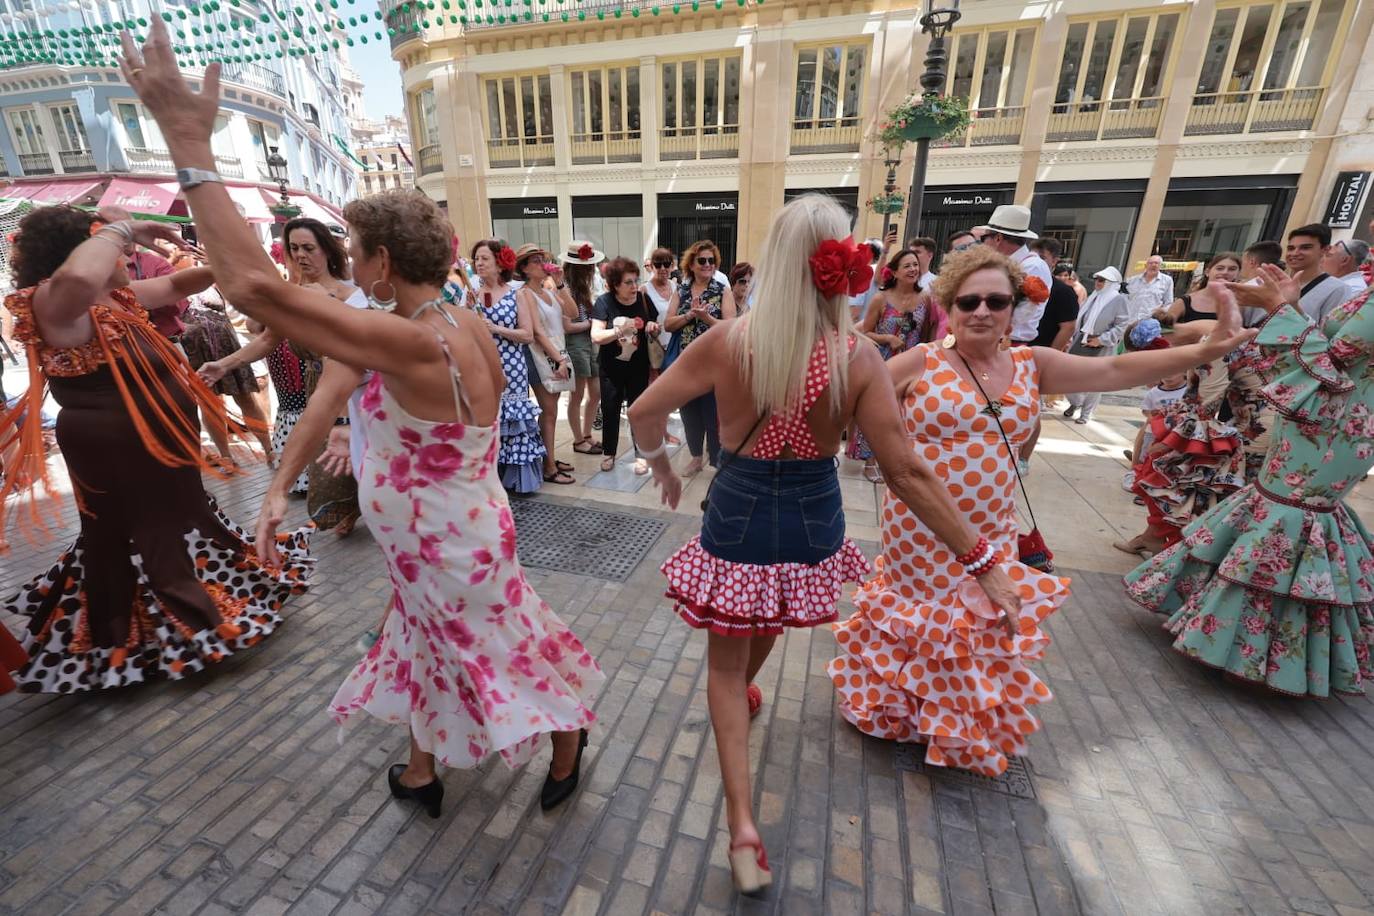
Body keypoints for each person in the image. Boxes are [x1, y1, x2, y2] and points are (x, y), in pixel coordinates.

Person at [121, 26, 604, 810]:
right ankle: (420, 770)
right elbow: (359, 400)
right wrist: (327, 454)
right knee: (425, 641)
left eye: (353, 247)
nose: (346, 257)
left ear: (379, 262)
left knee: (494, 646)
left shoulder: (409, 339)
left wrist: (188, 144)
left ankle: (568, 734)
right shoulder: (458, 321)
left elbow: (252, 292)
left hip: (448, 542)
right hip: (451, 530)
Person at [627, 196, 1024, 893]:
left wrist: (660, 464)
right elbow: (904, 470)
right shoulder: (858, 355)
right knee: (772, 615)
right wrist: (982, 558)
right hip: (815, 511)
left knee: (723, 664)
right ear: (841, 265)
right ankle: (745, 696)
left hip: (740, 506)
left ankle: (743, 824)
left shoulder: (729, 341)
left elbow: (641, 410)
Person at [828, 244, 1253, 776]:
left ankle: (951, 722)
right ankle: (901, 713)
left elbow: (1118, 369)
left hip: (993, 526)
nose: (981, 311)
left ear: (1013, 307)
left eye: (995, 301)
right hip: (918, 528)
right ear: (951, 306)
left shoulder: (1034, 364)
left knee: (974, 625)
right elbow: (841, 401)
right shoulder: (920, 360)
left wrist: (1202, 351)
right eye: (968, 301)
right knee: (922, 621)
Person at [0, 204, 312, 692]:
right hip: (114, 448)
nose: (125, 251)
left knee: (178, 517)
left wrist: (222, 262)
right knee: (145, 530)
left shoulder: (113, 296)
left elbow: (176, 286)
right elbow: (79, 281)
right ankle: (166, 630)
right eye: (108, 242)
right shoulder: (54, 302)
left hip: (159, 439)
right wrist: (123, 228)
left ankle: (200, 604)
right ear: (76, 253)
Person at [1126, 262, 1374, 698]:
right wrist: (1290, 306)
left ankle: (1259, 652)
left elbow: (1334, 365)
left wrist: (1278, 307)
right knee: (1272, 502)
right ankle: (1222, 629)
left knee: (1294, 509)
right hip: (1321, 420)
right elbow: (1333, 355)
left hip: (1338, 425)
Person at [847, 247, 942, 481]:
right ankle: (870, 460)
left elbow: (927, 334)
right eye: (907, 265)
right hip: (882, 364)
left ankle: (897, 461)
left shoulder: (925, 299)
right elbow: (864, 332)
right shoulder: (881, 298)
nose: (913, 269)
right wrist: (886, 338)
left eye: (915, 265)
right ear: (895, 272)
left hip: (912, 366)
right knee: (877, 413)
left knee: (904, 414)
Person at [471, 238, 546, 494]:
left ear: (499, 263)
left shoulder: (517, 294)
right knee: (487, 419)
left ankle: (514, 478)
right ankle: (488, 476)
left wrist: (496, 329)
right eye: (476, 259)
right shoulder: (471, 296)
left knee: (513, 420)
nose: (479, 263)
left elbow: (527, 334)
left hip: (512, 365)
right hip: (481, 366)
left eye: (484, 259)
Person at [178, 270, 274, 465]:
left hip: (226, 345)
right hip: (195, 349)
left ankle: (269, 448)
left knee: (246, 398)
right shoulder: (166, 275)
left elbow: (235, 294)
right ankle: (226, 456)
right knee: (209, 403)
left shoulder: (205, 270)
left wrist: (210, 266)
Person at [667, 240, 736, 475]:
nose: (708, 265)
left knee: (713, 414)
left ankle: (717, 463)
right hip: (686, 364)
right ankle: (696, 458)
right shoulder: (682, 291)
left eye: (712, 261)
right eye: (703, 260)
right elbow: (667, 324)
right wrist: (689, 316)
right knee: (689, 414)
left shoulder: (722, 290)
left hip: (714, 365)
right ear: (692, 264)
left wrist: (707, 319)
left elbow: (731, 327)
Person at [513, 244, 576, 486]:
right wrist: (559, 359)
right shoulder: (526, 294)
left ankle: (549, 458)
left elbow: (572, 312)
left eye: (542, 259)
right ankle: (548, 466)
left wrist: (560, 283)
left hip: (557, 352)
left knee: (551, 410)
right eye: (535, 261)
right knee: (548, 411)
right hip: (542, 357)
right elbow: (537, 333)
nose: (542, 263)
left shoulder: (548, 292)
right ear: (525, 269)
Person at [592, 257, 659, 474]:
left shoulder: (643, 299)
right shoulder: (604, 302)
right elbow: (596, 336)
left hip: (638, 366)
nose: (634, 286)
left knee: (637, 410)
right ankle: (609, 453)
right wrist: (618, 330)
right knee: (610, 409)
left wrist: (651, 327)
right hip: (611, 368)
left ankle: (641, 454)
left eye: (635, 280)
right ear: (614, 285)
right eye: (628, 282)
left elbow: (655, 326)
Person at [1062, 267, 1130, 424]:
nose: (1097, 283)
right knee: (1070, 374)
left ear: (1111, 283)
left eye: (1101, 280)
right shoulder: (1094, 296)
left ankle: (1085, 413)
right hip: (1082, 340)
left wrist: (1102, 339)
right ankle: (1075, 402)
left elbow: (1121, 325)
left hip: (1102, 344)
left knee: (1095, 381)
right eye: (1096, 279)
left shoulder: (1118, 300)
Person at [978, 205, 1051, 346]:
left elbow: (1023, 313)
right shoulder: (1008, 263)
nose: (983, 243)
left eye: (984, 237)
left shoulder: (1032, 266)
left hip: (1009, 343)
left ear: (998, 238)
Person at [560, 241, 604, 455]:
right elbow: (567, 326)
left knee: (595, 393)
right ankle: (579, 440)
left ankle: (587, 435)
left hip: (591, 341)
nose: (592, 268)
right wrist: (593, 322)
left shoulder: (588, 285)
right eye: (588, 265)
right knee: (576, 395)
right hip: (576, 342)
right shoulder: (564, 288)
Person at [1286, 223, 1353, 325]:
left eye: (1305, 248)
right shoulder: (1271, 282)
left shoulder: (1337, 289)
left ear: (1325, 250)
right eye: (1291, 248)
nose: (1295, 253)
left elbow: (1326, 333)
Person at [1155, 252, 1242, 325]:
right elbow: (1165, 332)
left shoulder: (1241, 303)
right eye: (1220, 268)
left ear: (1238, 274)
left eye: (1232, 269)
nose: (1225, 272)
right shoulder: (1185, 301)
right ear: (1207, 272)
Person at [1124, 254, 1176, 321]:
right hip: (1130, 320)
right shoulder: (1133, 280)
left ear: (1160, 266)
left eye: (1156, 263)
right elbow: (1124, 299)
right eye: (1151, 263)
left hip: (1149, 322)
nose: (1153, 265)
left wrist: (1160, 311)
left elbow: (1169, 303)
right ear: (1146, 265)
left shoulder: (1167, 281)